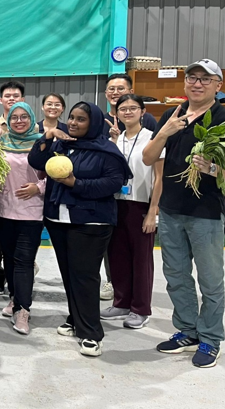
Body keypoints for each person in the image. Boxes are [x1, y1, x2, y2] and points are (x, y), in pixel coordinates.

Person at [28, 101, 131, 357]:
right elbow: (36, 160)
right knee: (69, 274)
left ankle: (92, 333)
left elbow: (112, 184)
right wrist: (47, 135)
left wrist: (76, 183)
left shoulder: (107, 151)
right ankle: (76, 319)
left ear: (93, 122)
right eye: (71, 118)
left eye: (80, 119)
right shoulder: (63, 145)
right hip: (59, 219)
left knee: (85, 277)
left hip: (91, 222)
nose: (73, 123)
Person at [143, 59, 225, 368]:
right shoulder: (171, 114)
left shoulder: (222, 117)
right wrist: (164, 131)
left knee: (211, 280)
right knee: (176, 276)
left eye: (206, 79)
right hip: (171, 209)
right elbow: (149, 157)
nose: (198, 83)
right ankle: (188, 330)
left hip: (206, 212)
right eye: (193, 77)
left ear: (218, 85)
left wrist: (213, 168)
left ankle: (211, 337)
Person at [100, 94, 163, 329]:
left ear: (143, 111)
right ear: (116, 114)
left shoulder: (152, 139)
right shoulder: (115, 139)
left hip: (140, 204)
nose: (127, 112)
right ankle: (121, 302)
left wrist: (152, 211)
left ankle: (140, 308)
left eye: (132, 108)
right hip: (115, 203)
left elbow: (159, 177)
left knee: (141, 259)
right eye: (122, 109)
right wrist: (113, 141)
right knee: (117, 256)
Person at [0, 102, 46, 335]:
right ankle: (15, 299)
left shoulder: (42, 143)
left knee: (24, 260)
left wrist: (39, 187)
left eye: (24, 117)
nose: (19, 121)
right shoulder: (1, 143)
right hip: (3, 210)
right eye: (15, 117)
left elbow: (56, 172)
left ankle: (23, 309)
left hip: (31, 211)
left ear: (32, 119)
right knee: (10, 260)